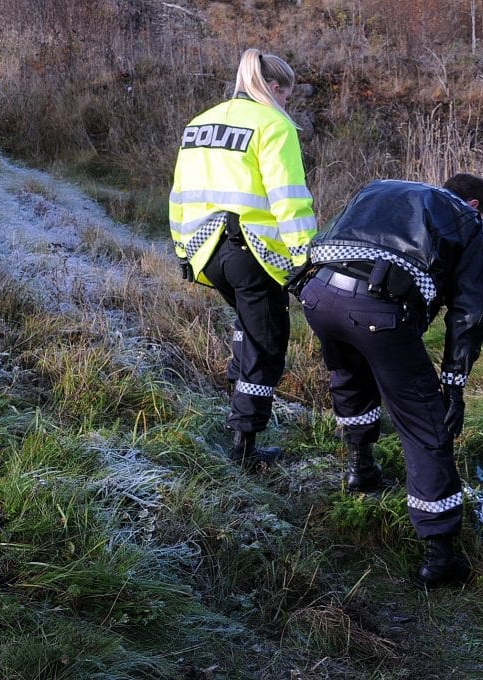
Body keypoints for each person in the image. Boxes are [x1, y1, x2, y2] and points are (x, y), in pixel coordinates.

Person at [290, 174, 483, 588]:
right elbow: (469, 313)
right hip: (379, 310)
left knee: (349, 376)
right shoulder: (473, 224)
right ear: (474, 204)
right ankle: (439, 555)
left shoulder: (382, 188)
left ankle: (359, 469)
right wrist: (453, 385)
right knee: (424, 422)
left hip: (317, 294)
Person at [168, 49, 316, 471]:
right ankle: (244, 446)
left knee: (248, 330)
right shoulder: (274, 125)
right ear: (272, 89)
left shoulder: (200, 123)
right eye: (285, 94)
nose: (287, 104)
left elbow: (179, 194)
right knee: (266, 343)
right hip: (253, 252)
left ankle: (238, 406)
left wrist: (183, 251)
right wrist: (305, 257)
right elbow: (288, 198)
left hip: (205, 251)